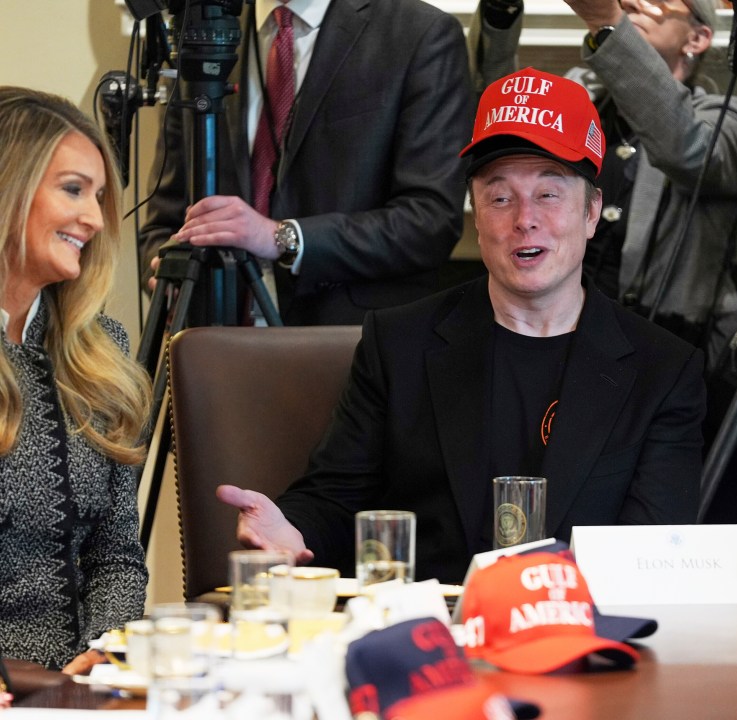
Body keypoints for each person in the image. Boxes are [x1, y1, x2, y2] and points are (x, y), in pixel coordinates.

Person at [218, 67, 705, 583]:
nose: (524, 218)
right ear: (476, 214)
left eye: (549, 193)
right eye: (500, 197)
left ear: (591, 213)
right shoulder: (399, 343)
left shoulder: (663, 369)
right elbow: (336, 499)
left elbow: (654, 553)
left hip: (585, 638)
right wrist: (291, 529)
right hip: (432, 634)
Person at [139, 0, 473, 325]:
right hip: (216, 344)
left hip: (349, 350)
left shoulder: (420, 33)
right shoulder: (203, 30)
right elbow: (163, 222)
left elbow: (431, 220)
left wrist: (281, 238)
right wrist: (164, 274)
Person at [469, 0, 737, 346]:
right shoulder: (585, 104)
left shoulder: (732, 118)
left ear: (697, 38)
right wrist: (501, 12)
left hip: (671, 346)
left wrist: (607, 19)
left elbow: (690, 152)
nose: (634, 4)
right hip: (563, 338)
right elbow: (503, 121)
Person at [0, 88, 151, 672]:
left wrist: (105, 655)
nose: (94, 218)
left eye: (99, 196)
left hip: (81, 692)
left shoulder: (102, 350)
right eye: (73, 190)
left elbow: (118, 557)